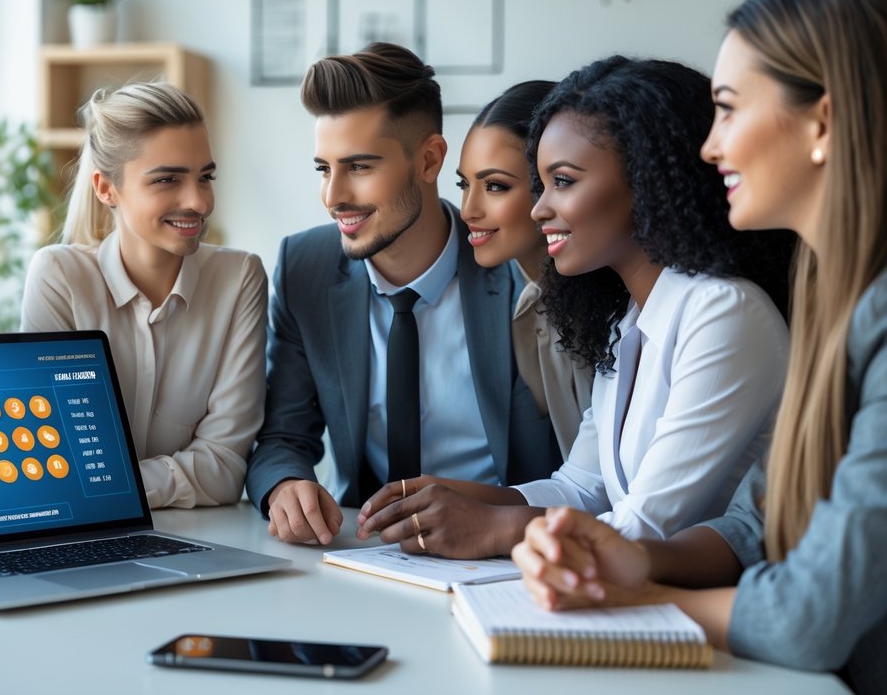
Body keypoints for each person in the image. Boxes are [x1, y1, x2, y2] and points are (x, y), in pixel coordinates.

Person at [512, 0, 887, 693]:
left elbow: (809, 618)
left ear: (821, 121)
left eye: (727, 110)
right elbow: (760, 521)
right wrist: (634, 561)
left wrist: (645, 596)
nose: (709, 148)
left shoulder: (877, 311)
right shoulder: (831, 294)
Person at [357, 56, 795, 559]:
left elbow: (646, 527)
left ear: (648, 181)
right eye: (540, 185)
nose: (540, 208)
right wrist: (451, 496)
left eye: (562, 182)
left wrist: (498, 528)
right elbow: (581, 490)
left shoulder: (724, 313)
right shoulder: (627, 318)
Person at [245, 42, 561, 546]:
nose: (333, 197)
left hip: (505, 555)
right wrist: (284, 484)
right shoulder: (304, 267)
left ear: (430, 159)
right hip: (362, 547)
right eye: (323, 168)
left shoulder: (520, 267)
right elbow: (283, 436)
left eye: (360, 167)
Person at [20, 82, 266, 509]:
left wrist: (109, 483)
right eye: (167, 179)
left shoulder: (239, 277)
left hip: (208, 542)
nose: (198, 202)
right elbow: (57, 466)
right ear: (106, 188)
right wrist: (180, 477)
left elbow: (226, 468)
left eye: (205, 177)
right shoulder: (59, 277)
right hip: (78, 541)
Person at [454, 80, 593, 457]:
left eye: (495, 186)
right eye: (463, 184)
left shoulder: (617, 306)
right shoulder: (528, 309)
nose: (468, 209)